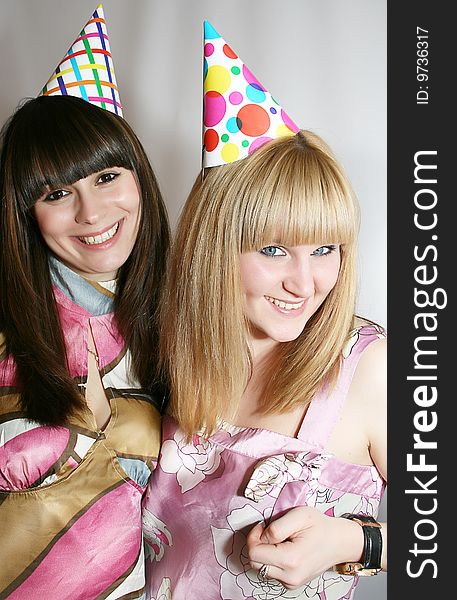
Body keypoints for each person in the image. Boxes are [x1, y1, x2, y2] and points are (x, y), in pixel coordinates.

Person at [143, 21, 386, 600]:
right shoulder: (166, 354)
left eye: (325, 249)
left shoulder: (369, 367)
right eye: (274, 250)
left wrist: (355, 543)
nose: (305, 283)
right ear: (214, 249)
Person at [0, 9, 170, 598]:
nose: (91, 215)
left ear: (139, 178)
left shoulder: (183, 306)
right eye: (56, 193)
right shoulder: (9, 326)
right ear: (26, 212)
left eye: (105, 178)